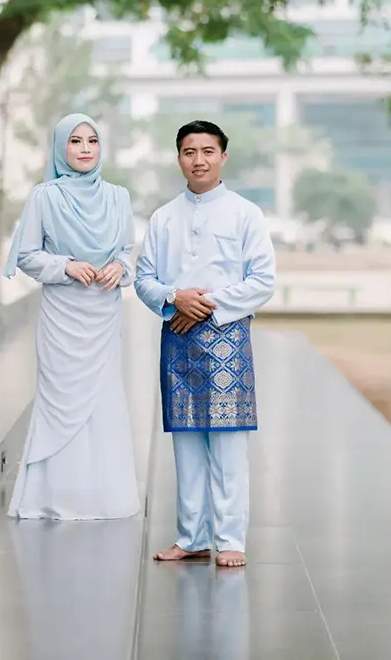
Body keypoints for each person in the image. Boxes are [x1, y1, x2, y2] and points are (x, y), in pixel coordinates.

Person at [134, 119, 276, 567]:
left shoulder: (245, 213)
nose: (199, 160)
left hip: (227, 340)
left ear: (223, 157)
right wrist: (173, 299)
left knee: (229, 444)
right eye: (189, 151)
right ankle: (191, 536)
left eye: (207, 151)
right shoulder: (162, 217)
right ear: (178, 157)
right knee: (187, 444)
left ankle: (231, 538)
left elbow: (263, 281)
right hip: (177, 338)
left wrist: (205, 303)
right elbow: (143, 279)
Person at [3, 113, 140, 520]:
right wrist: (65, 266)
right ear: (61, 148)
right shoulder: (44, 197)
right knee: (60, 402)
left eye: (92, 141)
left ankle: (104, 498)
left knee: (103, 401)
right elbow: (27, 256)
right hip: (62, 317)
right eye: (75, 141)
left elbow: (127, 253)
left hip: (102, 314)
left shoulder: (118, 197)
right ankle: (53, 499)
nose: (84, 149)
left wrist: (120, 269)